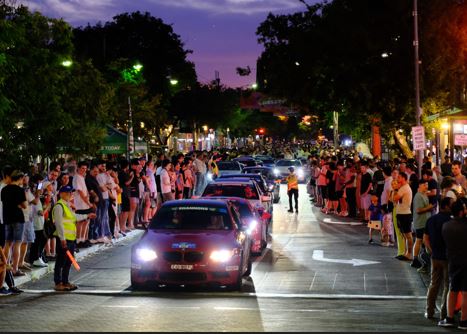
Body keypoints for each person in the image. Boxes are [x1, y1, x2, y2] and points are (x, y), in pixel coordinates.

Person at [438, 199, 467, 329]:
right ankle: (464, 321)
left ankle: (449, 318)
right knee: (466, 292)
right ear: (461, 212)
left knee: (452, 289)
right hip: (466, 261)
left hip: (453, 260)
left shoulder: (446, 226)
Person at [423, 197, 452, 321]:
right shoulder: (450, 221)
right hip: (447, 257)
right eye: (451, 205)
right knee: (447, 286)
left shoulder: (431, 220)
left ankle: (429, 311)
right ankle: (444, 313)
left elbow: (425, 238)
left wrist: (431, 251)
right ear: (446, 206)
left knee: (433, 284)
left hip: (435, 257)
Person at [52, 185, 78, 291]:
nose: (70, 195)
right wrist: (62, 239)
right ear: (61, 194)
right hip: (64, 239)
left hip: (71, 238)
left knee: (69, 261)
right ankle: (58, 283)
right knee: (61, 261)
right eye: (67, 193)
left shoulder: (67, 205)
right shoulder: (59, 206)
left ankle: (65, 281)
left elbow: (73, 219)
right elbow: (59, 224)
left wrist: (87, 216)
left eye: (70, 193)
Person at [411, 179, 433, 269]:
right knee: (419, 240)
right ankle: (416, 259)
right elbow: (418, 210)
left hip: (424, 222)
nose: (426, 186)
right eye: (425, 185)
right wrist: (429, 207)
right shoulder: (418, 196)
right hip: (420, 223)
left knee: (421, 241)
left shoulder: (424, 195)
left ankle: (420, 259)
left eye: (427, 185)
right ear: (420, 186)